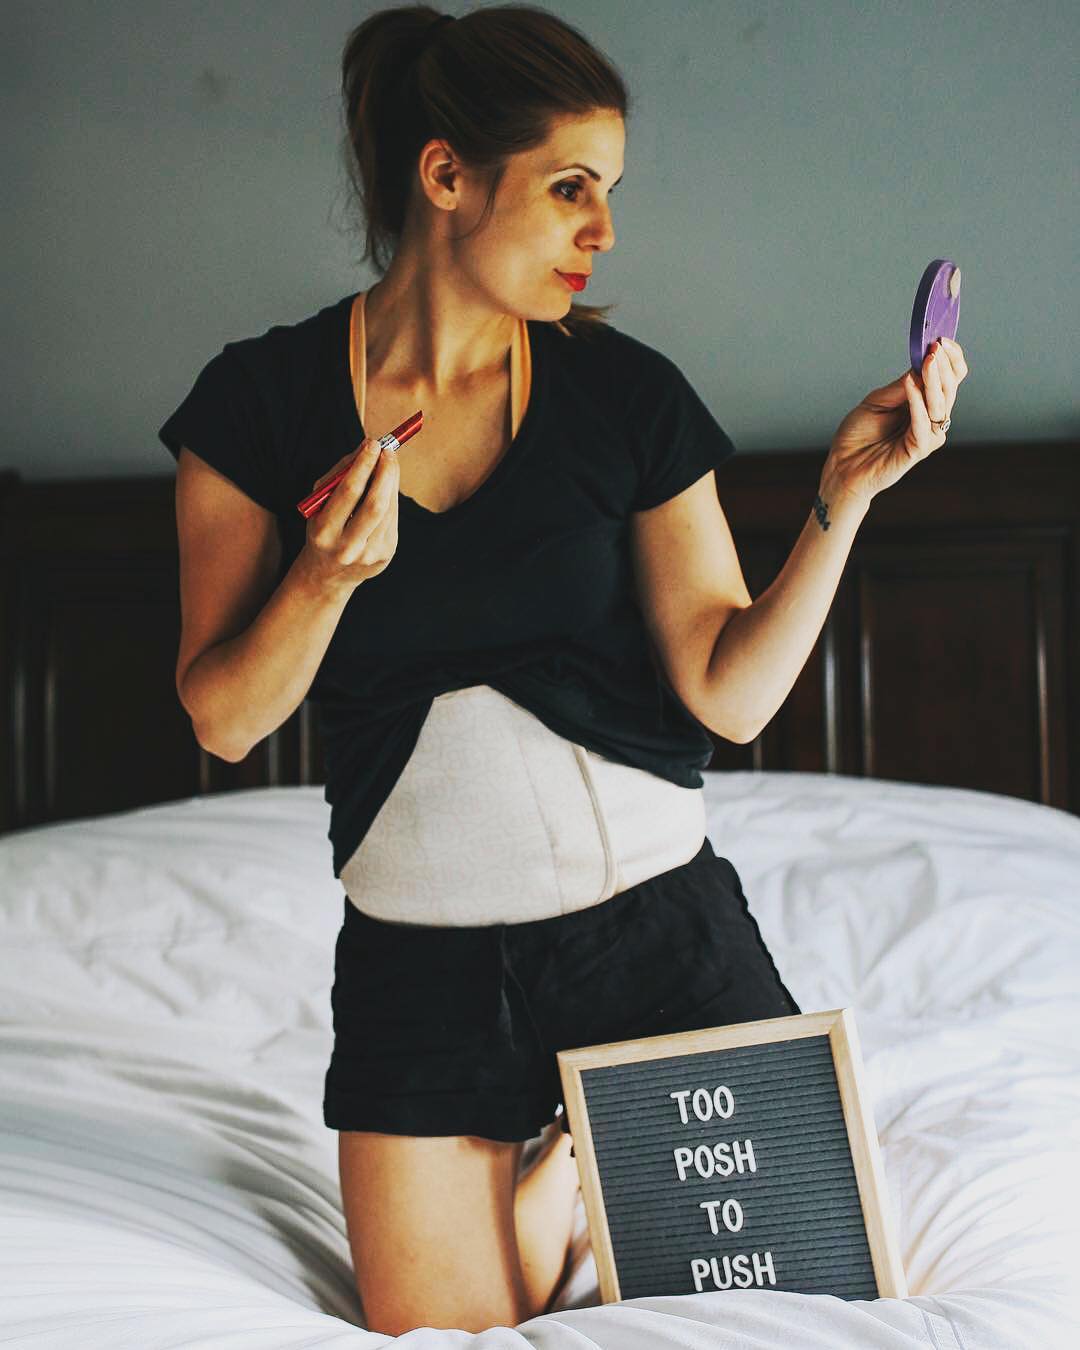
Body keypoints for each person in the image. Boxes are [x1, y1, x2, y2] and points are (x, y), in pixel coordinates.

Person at [159, 4, 967, 1338]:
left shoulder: (626, 395)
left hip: (657, 942)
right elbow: (224, 720)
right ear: (447, 176)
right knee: (441, 1338)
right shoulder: (257, 405)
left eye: (612, 194)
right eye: (571, 188)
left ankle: (600, 1146)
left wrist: (846, 495)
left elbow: (729, 691)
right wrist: (322, 578)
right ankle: (573, 1170)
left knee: (792, 1314)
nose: (604, 232)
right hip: (419, 977)